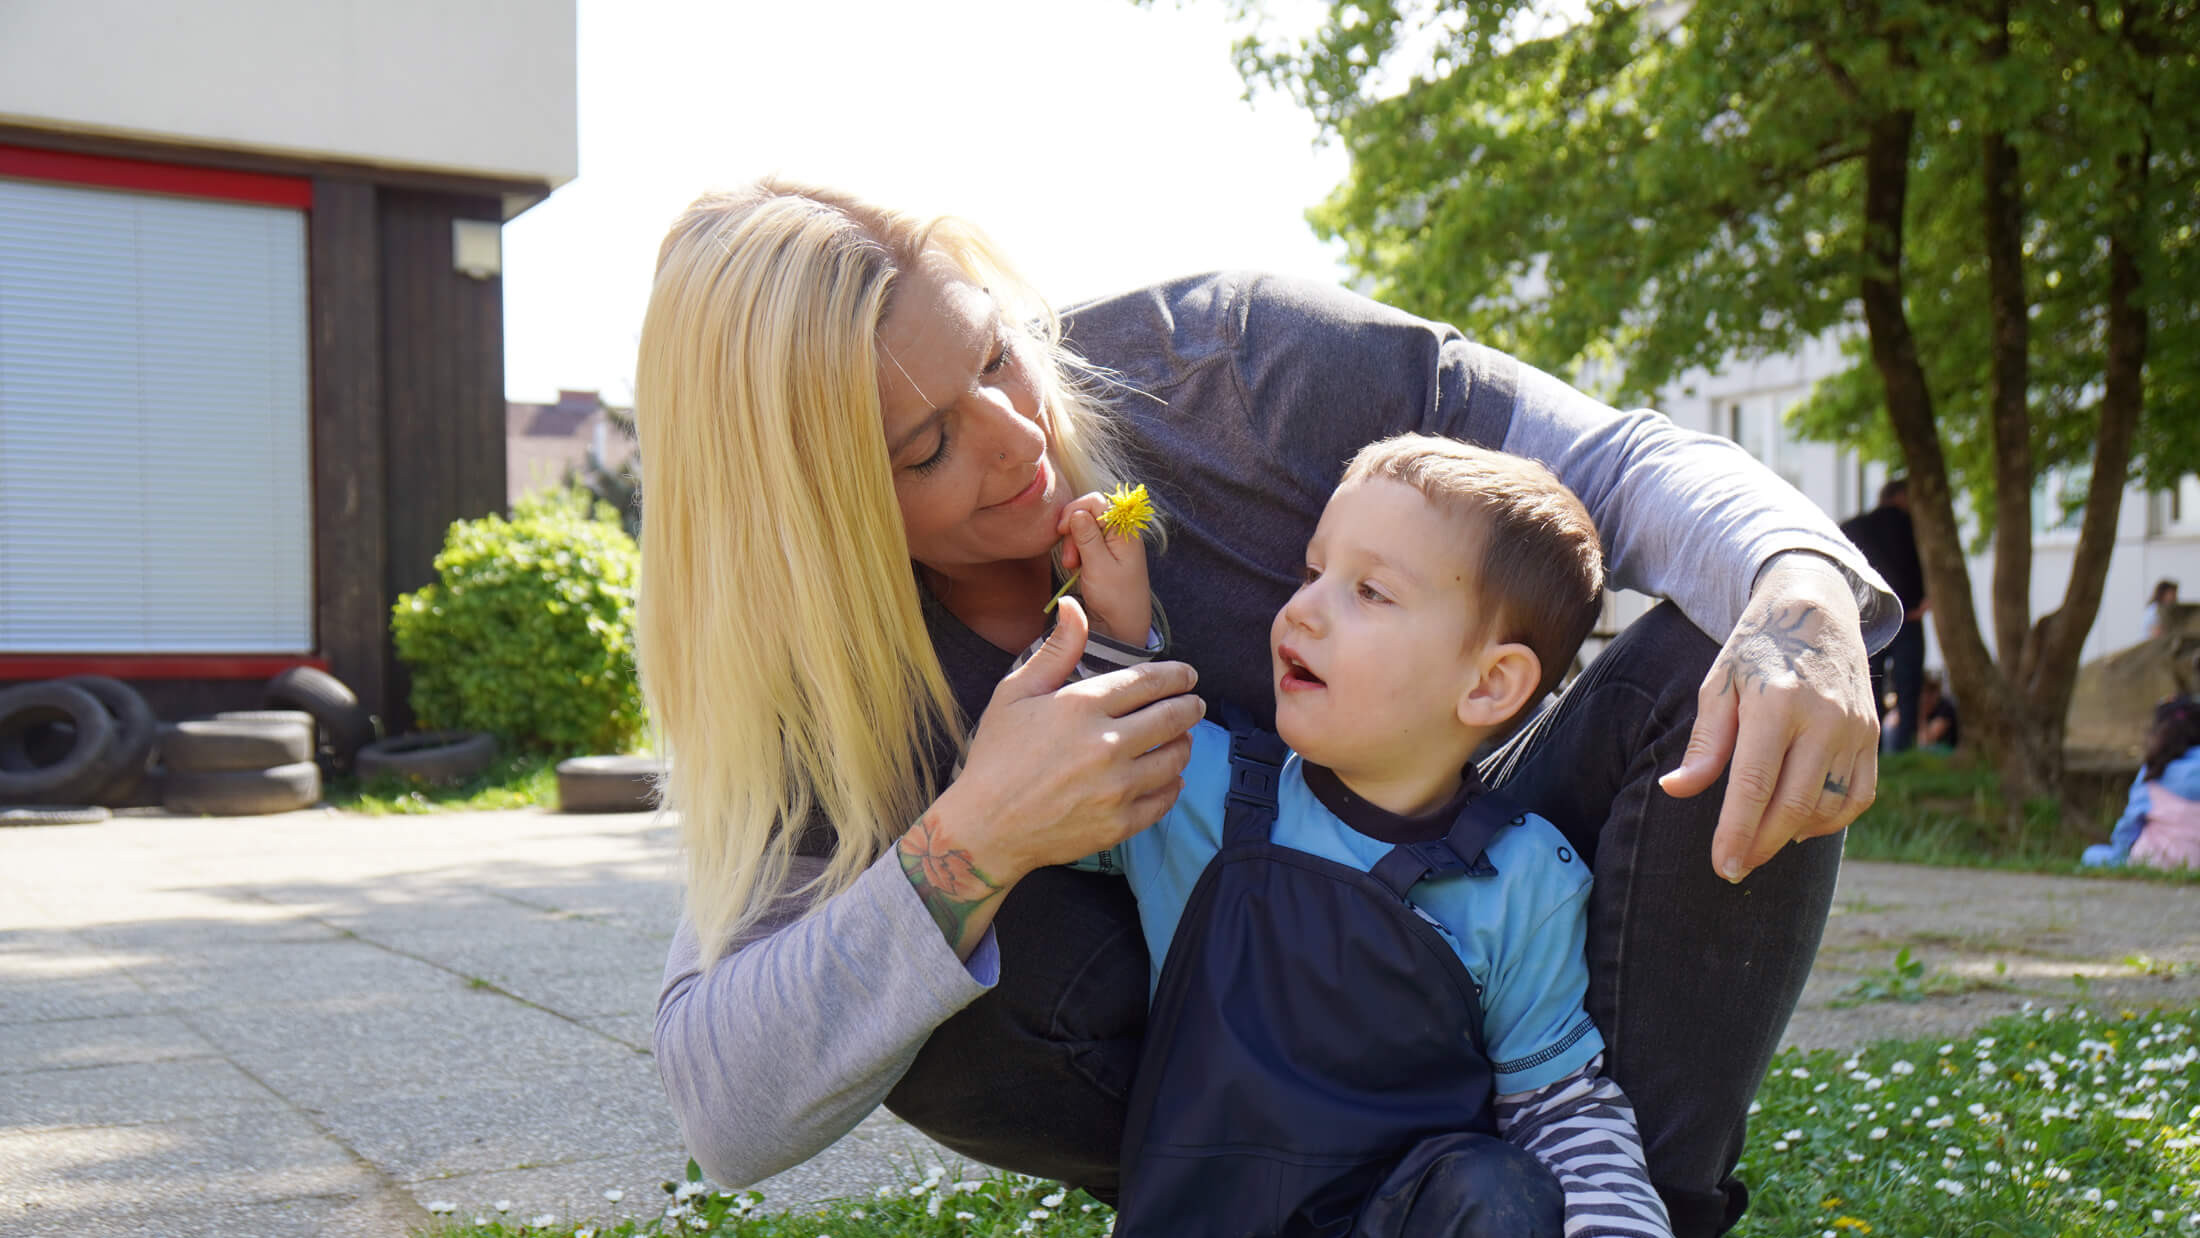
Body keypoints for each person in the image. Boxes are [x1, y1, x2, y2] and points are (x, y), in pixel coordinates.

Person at [641, 180, 1896, 1237]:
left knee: (1724, 656)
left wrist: (1804, 593)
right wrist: (975, 838)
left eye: (992, 351)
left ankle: (1636, 1203)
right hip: (1214, 1114)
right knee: (904, 948)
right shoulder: (811, 681)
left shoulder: (1239, 369)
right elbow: (724, 1102)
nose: (1017, 432)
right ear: (809, 508)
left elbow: (1623, 467)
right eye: (923, 449)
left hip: (1459, 912)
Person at [1039, 435, 1670, 1236]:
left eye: (1369, 591)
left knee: (1497, 1185)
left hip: (1404, 1218)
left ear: (1489, 683)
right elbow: (1050, 792)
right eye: (1312, 572)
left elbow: (1559, 1108)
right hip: (1202, 1219)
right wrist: (1113, 636)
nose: (1302, 607)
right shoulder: (1193, 784)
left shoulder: (1526, 882)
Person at [1840, 479, 1926, 752]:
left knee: (1868, 688)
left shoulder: (1852, 528)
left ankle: (1870, 753)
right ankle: (1903, 750)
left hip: (1867, 618)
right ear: (1902, 496)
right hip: (1908, 617)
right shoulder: (1915, 526)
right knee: (1907, 688)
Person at [2082, 696, 2200, 872]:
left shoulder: (2154, 772)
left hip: (2153, 863)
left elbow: (2130, 824)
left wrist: (2119, 855)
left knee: (2092, 854)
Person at [1911, 672, 1959, 751]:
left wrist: (1922, 713)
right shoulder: (1920, 708)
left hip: (1948, 751)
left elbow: (1925, 740)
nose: (1923, 698)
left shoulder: (1945, 708)